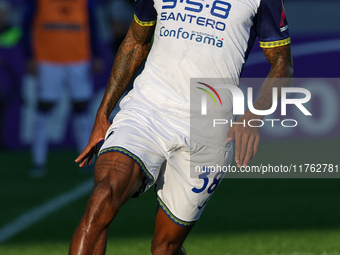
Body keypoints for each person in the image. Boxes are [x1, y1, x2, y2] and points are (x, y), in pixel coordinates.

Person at [69, 0, 293, 254]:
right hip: (147, 110)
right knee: (102, 197)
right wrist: (103, 113)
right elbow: (136, 41)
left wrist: (252, 118)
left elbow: (283, 65)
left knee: (165, 247)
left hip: (209, 128)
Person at [22, 0, 102, 177]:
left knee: (81, 108)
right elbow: (26, 26)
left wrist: (96, 54)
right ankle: (38, 161)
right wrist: (29, 56)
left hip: (79, 59)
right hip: (48, 60)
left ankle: (87, 160)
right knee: (44, 108)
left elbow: (93, 27)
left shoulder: (84, 2)